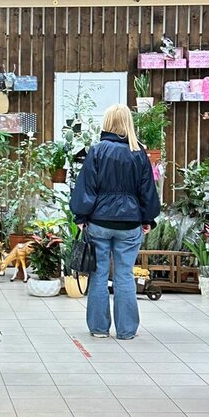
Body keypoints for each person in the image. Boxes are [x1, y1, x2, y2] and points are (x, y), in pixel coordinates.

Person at [70, 103, 161, 340]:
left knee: (99, 275)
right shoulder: (139, 153)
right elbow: (148, 191)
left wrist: (81, 216)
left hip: (99, 222)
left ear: (107, 123)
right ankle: (126, 330)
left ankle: (99, 329)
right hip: (130, 224)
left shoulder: (97, 151)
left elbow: (86, 187)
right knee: (124, 275)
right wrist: (147, 218)